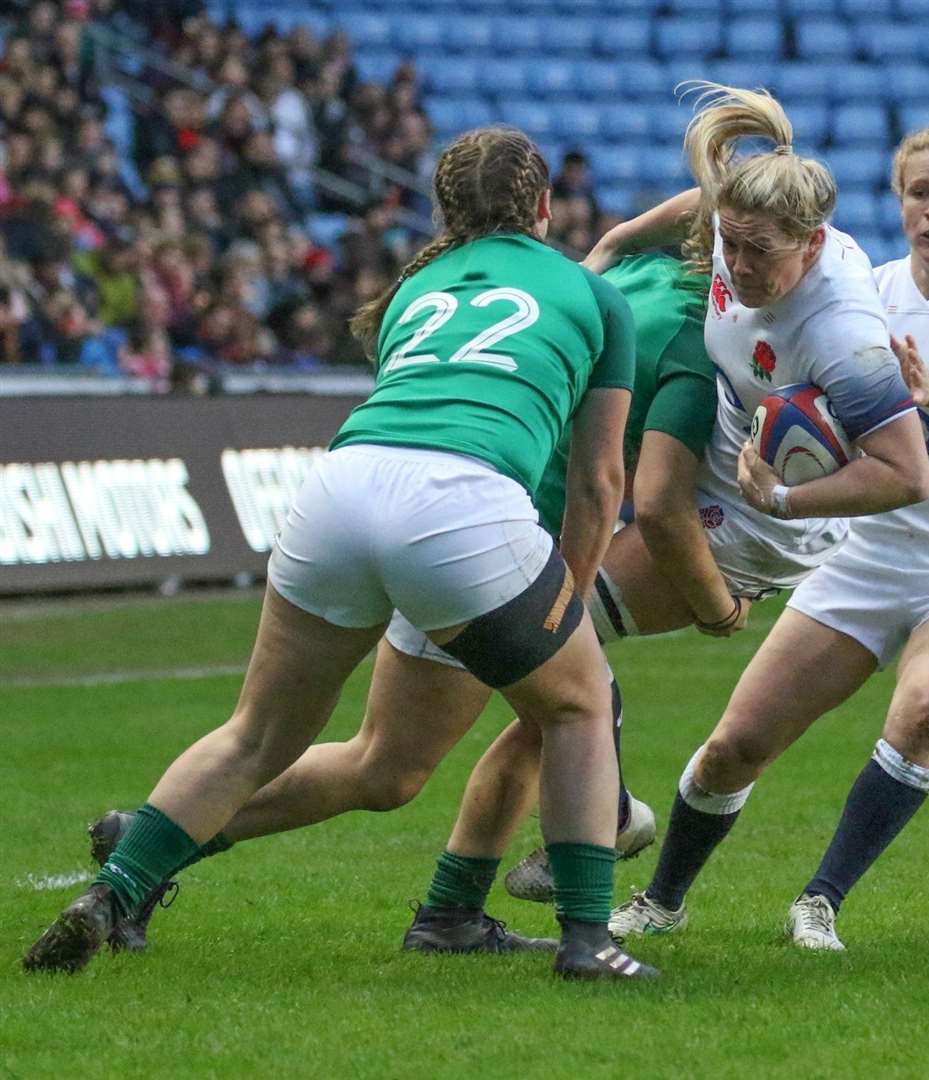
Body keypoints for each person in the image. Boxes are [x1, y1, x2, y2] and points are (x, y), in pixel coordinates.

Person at [24, 126, 658, 982]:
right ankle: (590, 941)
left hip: (340, 487)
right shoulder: (592, 295)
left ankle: (117, 886)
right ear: (546, 206)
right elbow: (599, 482)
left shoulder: (416, 285)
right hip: (466, 509)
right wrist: (569, 601)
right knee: (579, 704)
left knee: (261, 733)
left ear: (444, 212)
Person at [605, 123, 929, 949]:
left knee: (926, 711)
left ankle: (821, 900)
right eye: (920, 192)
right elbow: (720, 206)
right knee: (737, 744)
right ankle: (661, 899)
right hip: (864, 554)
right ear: (898, 201)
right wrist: (623, 238)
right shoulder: (854, 285)